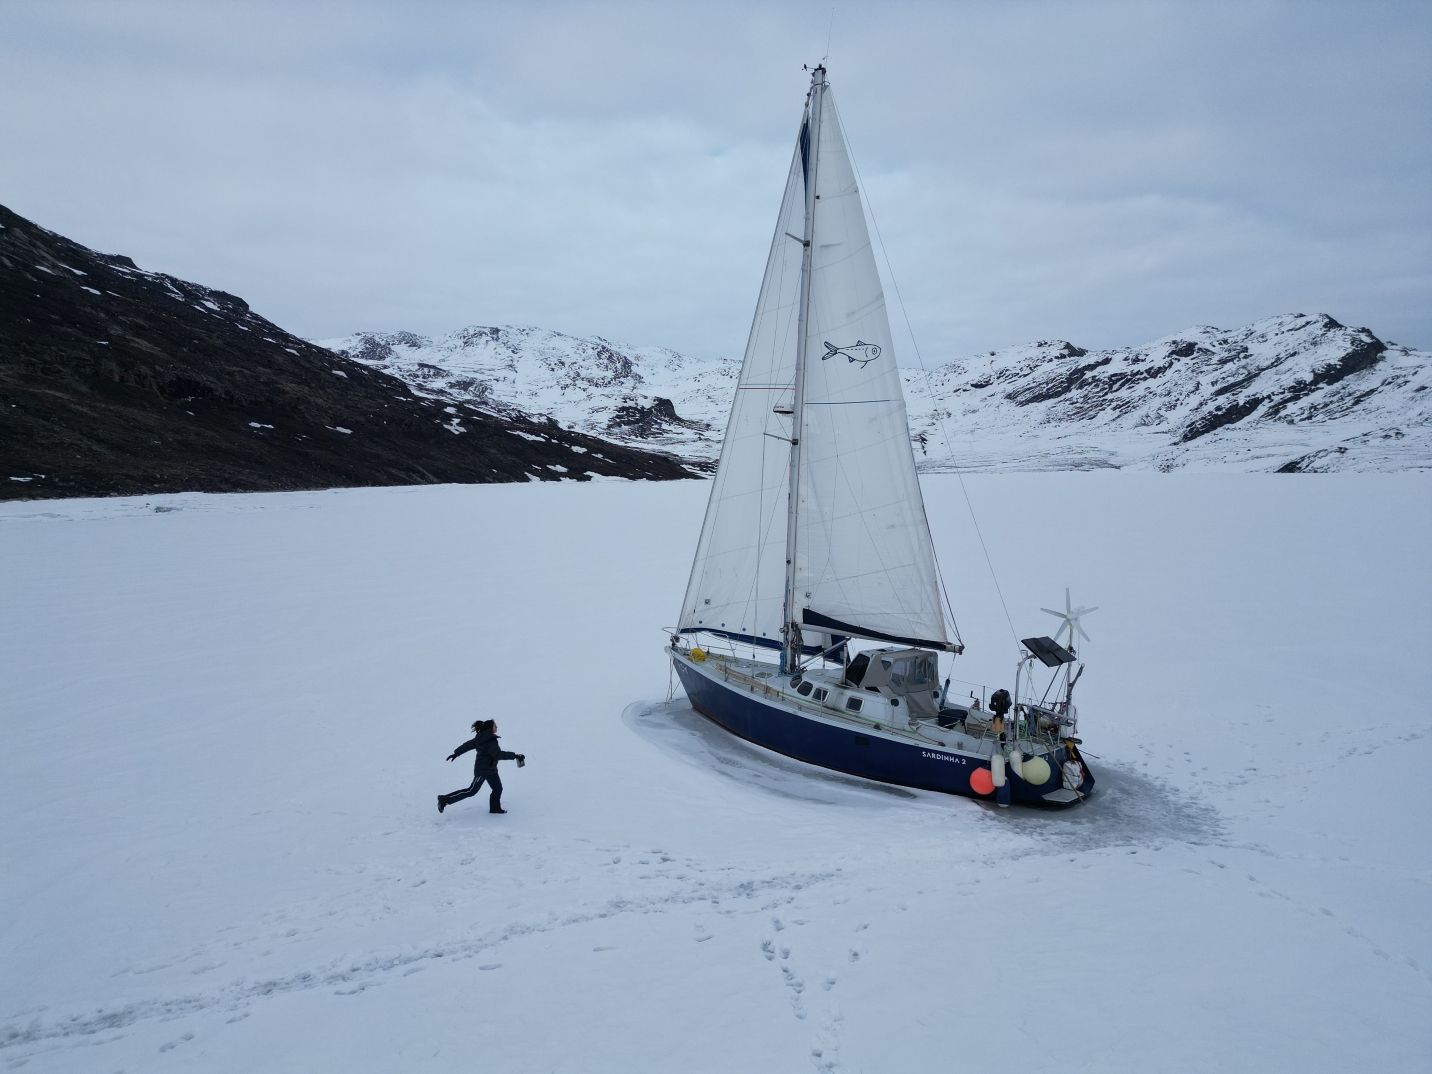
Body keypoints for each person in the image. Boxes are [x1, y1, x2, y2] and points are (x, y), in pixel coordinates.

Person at [438, 719, 525, 815]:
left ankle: (495, 808)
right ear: (490, 728)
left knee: (497, 788)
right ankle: (444, 799)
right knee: (471, 791)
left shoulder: (482, 737)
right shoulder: (489, 740)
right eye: (495, 726)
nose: (497, 727)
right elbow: (498, 755)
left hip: (491, 769)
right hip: (482, 770)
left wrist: (456, 753)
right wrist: (515, 755)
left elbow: (468, 745)